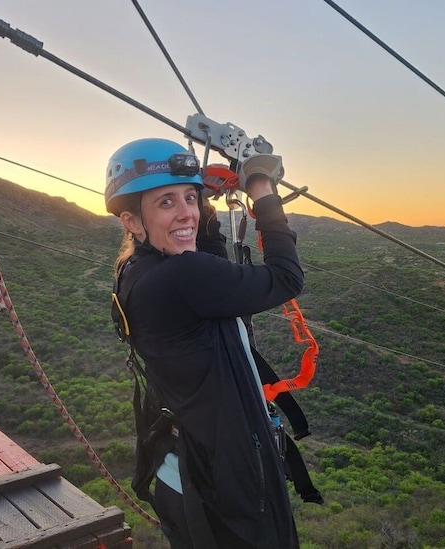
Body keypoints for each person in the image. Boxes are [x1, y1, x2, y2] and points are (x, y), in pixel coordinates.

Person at [107, 138, 310, 548]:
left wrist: (208, 211)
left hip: (182, 472)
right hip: (224, 489)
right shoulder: (183, 277)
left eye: (190, 198)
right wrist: (260, 186)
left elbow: (205, 257)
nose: (186, 213)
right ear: (131, 220)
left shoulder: (135, 272)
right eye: (166, 202)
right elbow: (286, 277)